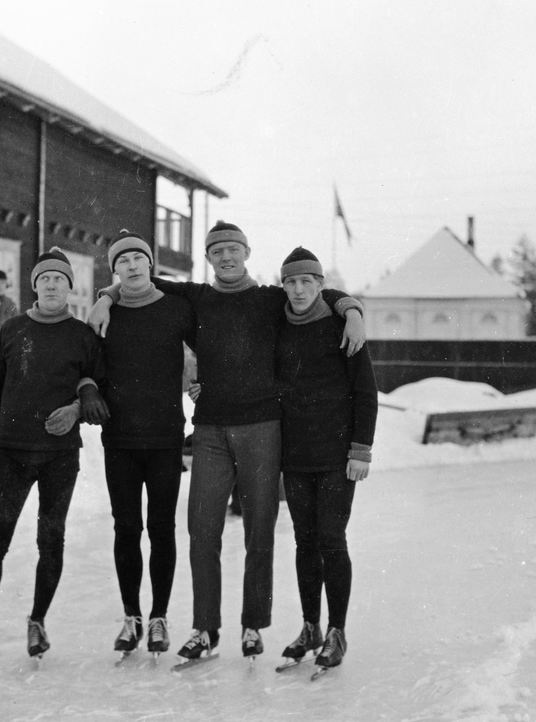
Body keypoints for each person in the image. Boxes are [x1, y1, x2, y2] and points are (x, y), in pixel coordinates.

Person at [90, 221, 365, 662]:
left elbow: (317, 293)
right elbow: (139, 278)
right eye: (218, 251)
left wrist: (350, 308)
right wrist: (105, 296)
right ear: (209, 257)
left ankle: (253, 626)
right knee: (203, 530)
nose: (227, 257)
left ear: (247, 252)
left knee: (260, 532)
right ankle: (205, 628)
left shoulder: (272, 298)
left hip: (262, 428)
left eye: (234, 249)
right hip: (211, 429)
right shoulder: (198, 297)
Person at [0, 248, 109, 666]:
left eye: (60, 279)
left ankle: (37, 620)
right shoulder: (12, 330)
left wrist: (75, 410)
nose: (52, 285)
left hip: (60, 455)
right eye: (45, 279)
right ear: (34, 285)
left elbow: (96, 387)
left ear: (71, 286)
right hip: (12, 452)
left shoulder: (82, 335)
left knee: (50, 539)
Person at [275, 247, 377, 671]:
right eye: (291, 282)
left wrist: (360, 451)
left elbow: (365, 393)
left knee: (332, 541)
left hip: (337, 457)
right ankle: (310, 626)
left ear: (320, 285)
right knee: (305, 542)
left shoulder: (341, 325)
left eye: (307, 282)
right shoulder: (277, 324)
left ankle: (337, 631)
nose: (298, 290)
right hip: (295, 456)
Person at [98, 231, 195, 656]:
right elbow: (88, 362)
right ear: (115, 270)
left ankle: (158, 617)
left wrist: (203, 380)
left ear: (151, 264)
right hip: (118, 438)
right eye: (124, 261)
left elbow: (208, 347)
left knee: (161, 529)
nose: (133, 265)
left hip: (164, 437)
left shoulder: (175, 308)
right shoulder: (106, 313)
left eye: (140, 257)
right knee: (126, 529)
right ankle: (130, 616)